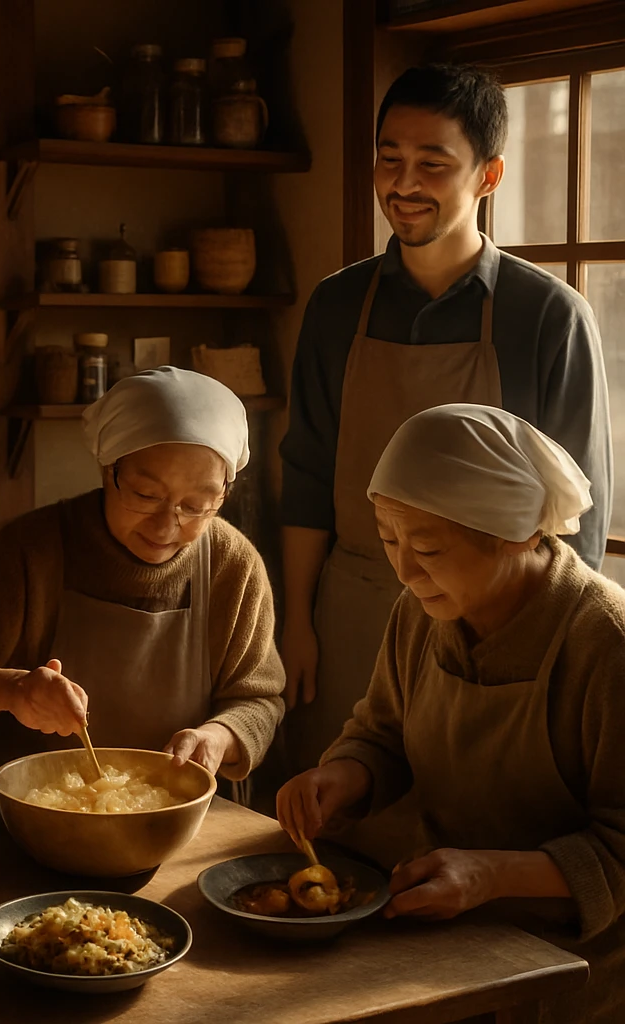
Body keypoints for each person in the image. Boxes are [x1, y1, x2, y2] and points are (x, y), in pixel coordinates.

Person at [278, 63, 611, 776]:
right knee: (336, 822)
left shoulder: (548, 316)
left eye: (433, 164)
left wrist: (553, 659)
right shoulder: (338, 307)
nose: (403, 184)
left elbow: (577, 522)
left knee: (469, 833)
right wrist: (297, 620)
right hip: (353, 611)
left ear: (488, 176)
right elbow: (307, 472)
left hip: (496, 630)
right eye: (390, 159)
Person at [277, 404, 625, 1023]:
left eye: (430, 548)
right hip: (447, 943)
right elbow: (382, 732)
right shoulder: (422, 612)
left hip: (577, 975)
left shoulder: (604, 643)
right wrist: (343, 776)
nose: (405, 571)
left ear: (516, 534)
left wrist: (492, 874)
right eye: (389, 540)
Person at [0, 367, 285, 817]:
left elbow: (258, 699)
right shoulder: (32, 551)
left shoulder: (232, 565)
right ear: (109, 468)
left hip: (181, 826)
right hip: (29, 826)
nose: (169, 526)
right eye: (146, 494)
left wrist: (219, 737)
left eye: (197, 504)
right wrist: (12, 690)